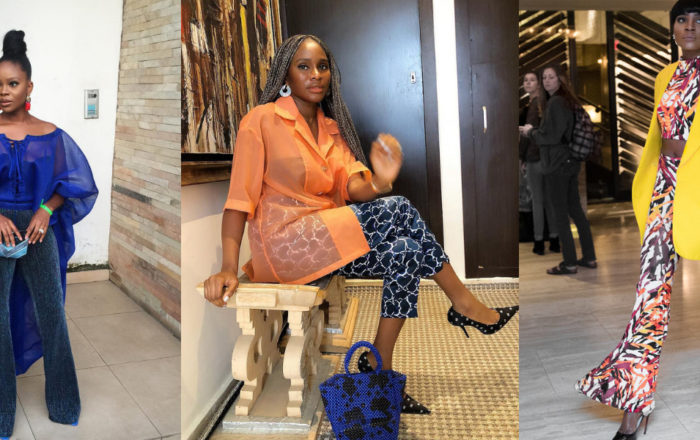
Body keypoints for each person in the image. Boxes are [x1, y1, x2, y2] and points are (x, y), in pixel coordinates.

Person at [204, 34, 518, 414]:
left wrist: (380, 181)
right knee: (400, 209)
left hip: (327, 241)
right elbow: (239, 200)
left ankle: (378, 366)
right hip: (284, 246)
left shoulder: (331, 129)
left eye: (322, 66)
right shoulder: (261, 120)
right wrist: (228, 266)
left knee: (406, 252)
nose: (316, 74)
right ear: (286, 74)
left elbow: (353, 188)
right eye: (304, 66)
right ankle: (463, 303)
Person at [574, 1, 700, 438]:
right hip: (666, 189)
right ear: (672, 29)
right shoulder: (666, 75)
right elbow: (657, 136)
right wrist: (650, 185)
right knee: (651, 295)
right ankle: (633, 405)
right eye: (682, 19)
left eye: (699, 20)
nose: (690, 26)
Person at [0, 30, 98, 437]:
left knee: (52, 314)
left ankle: (63, 401)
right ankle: (2, 411)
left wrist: (46, 209)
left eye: (12, 83)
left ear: (29, 87)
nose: (3, 92)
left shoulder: (50, 133)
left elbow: (72, 183)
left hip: (39, 232)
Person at [519, 65, 597, 275]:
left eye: (551, 77)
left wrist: (530, 132)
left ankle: (569, 263)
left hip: (557, 164)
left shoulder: (556, 102)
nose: (546, 80)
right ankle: (589, 257)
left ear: (560, 79)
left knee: (560, 214)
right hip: (569, 162)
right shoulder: (568, 101)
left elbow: (551, 137)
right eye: (544, 77)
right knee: (576, 211)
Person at [519, 71, 559, 255]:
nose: (528, 83)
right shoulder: (544, 102)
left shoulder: (535, 104)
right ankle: (554, 240)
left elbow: (528, 134)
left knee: (537, 201)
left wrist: (522, 156)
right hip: (547, 157)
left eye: (532, 80)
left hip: (535, 157)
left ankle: (538, 241)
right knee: (549, 200)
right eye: (525, 80)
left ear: (538, 84)